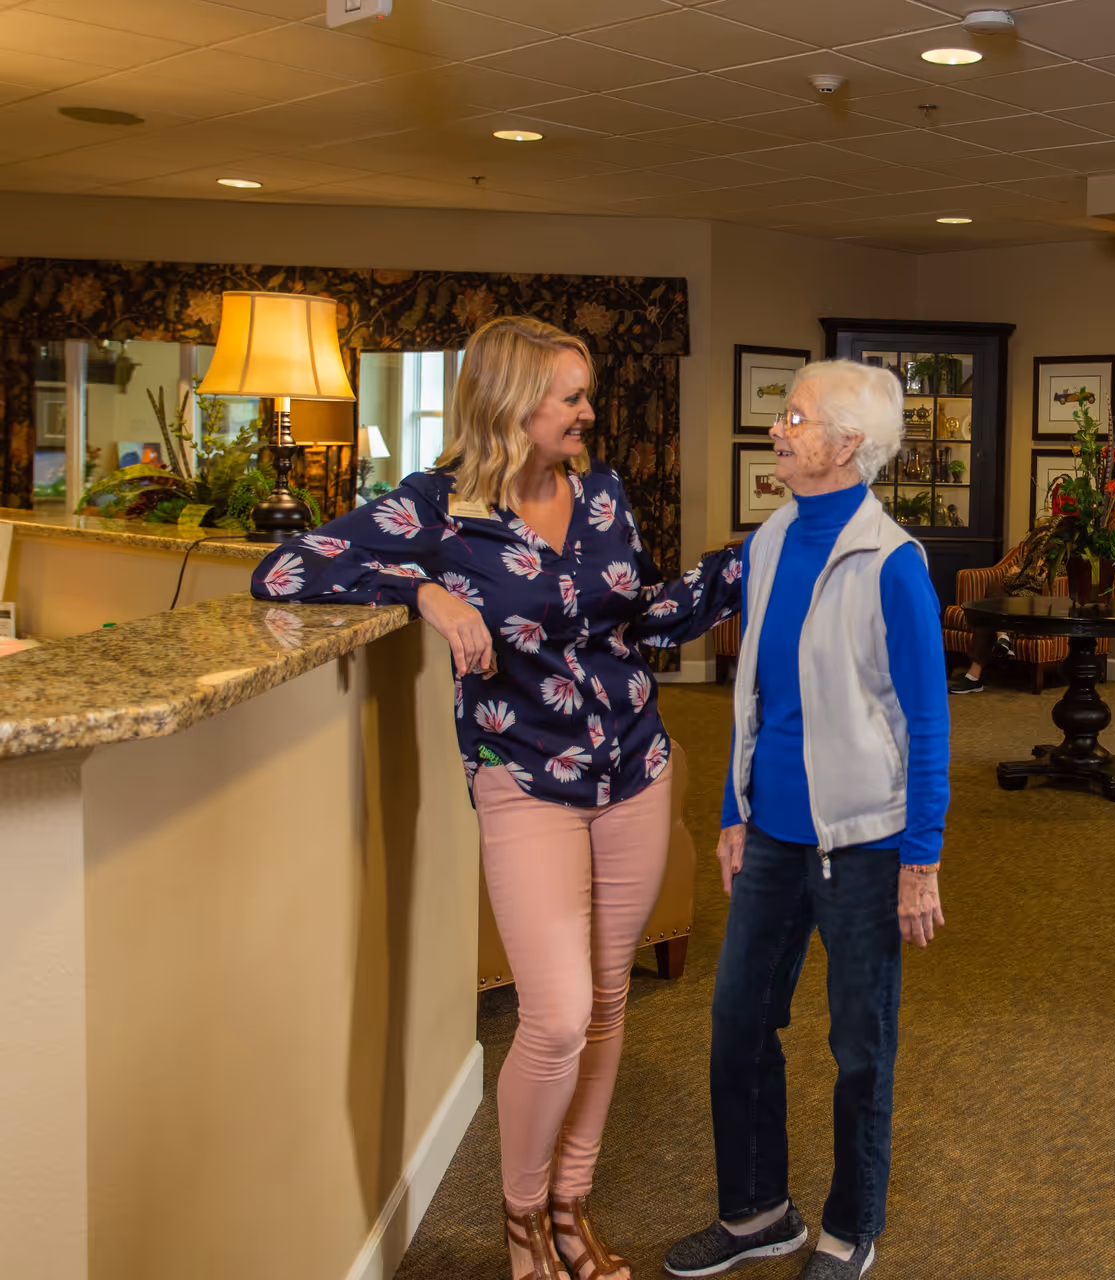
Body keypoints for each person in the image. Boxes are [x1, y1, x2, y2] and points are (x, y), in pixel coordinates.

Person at [251, 315, 742, 1280]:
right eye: (572, 396)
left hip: (635, 766)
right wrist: (422, 594)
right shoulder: (437, 508)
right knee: (555, 1014)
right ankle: (521, 1220)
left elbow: (636, 617)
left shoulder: (601, 493)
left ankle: (571, 1207)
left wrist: (748, 565)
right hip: (524, 779)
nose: (589, 413)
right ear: (512, 402)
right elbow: (285, 566)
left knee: (606, 1002)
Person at [664, 360, 949, 1280]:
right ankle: (756, 1212)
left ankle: (849, 1222)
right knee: (738, 1023)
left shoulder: (893, 563)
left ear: (845, 444)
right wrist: (733, 810)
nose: (776, 430)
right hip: (774, 835)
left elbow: (927, 720)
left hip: (864, 842)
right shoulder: (770, 541)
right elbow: (752, 694)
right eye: (780, 415)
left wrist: (921, 858)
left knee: (859, 1045)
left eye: (794, 416)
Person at [947, 513, 1055, 694]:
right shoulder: (1027, 559)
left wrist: (1023, 577)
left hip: (1030, 603)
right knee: (993, 591)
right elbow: (1008, 580)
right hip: (1009, 600)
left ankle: (974, 676)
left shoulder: (1056, 562)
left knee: (989, 614)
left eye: (1044, 540)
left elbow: (1039, 584)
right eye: (1037, 540)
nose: (1039, 545)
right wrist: (1026, 575)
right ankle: (1002, 636)